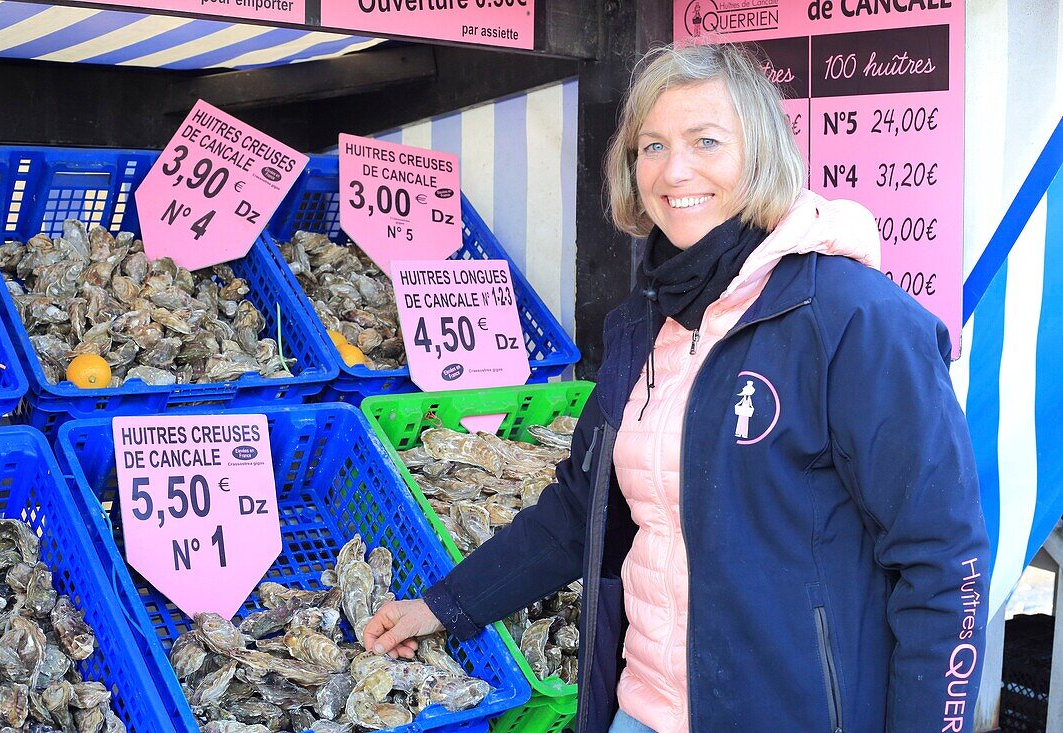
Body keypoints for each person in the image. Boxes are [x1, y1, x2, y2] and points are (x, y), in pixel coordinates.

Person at [364, 41, 990, 733]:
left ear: (762, 156)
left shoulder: (856, 319)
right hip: (642, 711)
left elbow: (942, 564)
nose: (675, 169)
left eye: (706, 140)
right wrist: (444, 606)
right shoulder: (642, 325)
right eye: (652, 146)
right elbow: (582, 508)